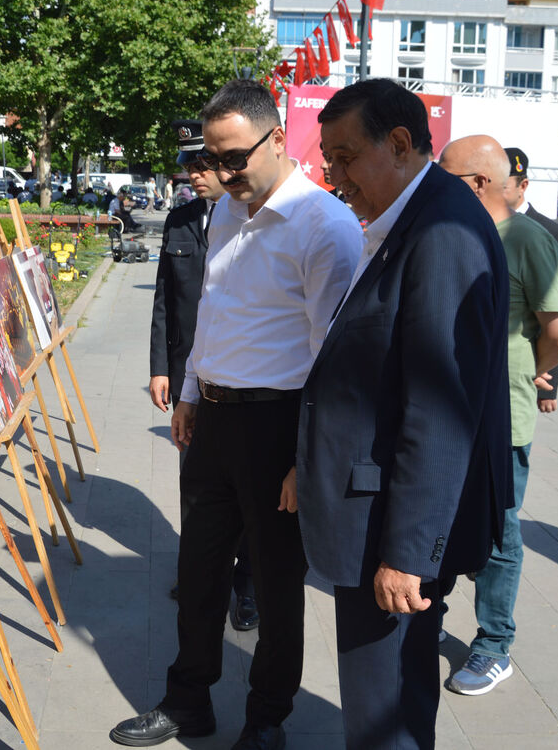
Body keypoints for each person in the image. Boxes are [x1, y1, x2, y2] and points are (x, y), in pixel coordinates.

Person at [111, 80, 362, 750]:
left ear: (277, 138)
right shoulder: (225, 210)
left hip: (278, 427)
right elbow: (212, 311)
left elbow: (333, 360)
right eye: (213, 159)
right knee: (199, 572)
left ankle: (267, 718)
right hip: (216, 421)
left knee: (276, 586)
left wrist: (305, 458)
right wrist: (192, 391)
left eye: (233, 158)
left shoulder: (325, 227)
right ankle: (187, 699)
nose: (223, 173)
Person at [298, 80, 512, 749]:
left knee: (384, 711)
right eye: (329, 160)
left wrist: (407, 555)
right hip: (376, 513)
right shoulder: (413, 219)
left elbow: (440, 410)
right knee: (383, 703)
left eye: (344, 158)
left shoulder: (442, 231)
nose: (335, 177)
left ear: (398, 144)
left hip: (391, 531)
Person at [437, 135, 558, 695]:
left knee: (498, 531)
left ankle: (494, 645)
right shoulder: (448, 232)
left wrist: (528, 372)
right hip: (444, 413)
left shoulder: (527, 239)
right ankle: (428, 615)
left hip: (500, 420)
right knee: (438, 518)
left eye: (444, 175)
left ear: (477, 184)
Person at [149, 118, 255, 630]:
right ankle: (199, 574)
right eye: (188, 165)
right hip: (187, 378)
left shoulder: (252, 220)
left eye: (201, 164)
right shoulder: (180, 220)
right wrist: (159, 369)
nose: (192, 174)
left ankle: (247, 585)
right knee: (194, 482)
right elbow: (164, 300)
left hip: (239, 380)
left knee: (246, 491)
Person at [503, 146, 558, 413]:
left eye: (503, 185)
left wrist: (549, 384)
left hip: (530, 365)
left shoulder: (551, 234)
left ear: (522, 185)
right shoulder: (485, 226)